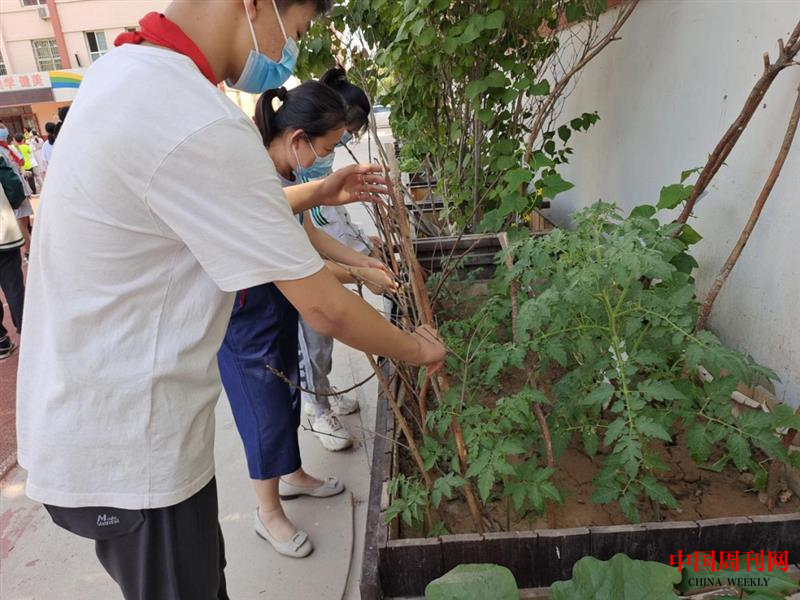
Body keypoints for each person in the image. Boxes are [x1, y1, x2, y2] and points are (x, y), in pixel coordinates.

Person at [16, 1, 445, 599]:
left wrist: (325, 203)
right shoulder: (196, 119)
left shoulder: (126, 74)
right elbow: (323, 308)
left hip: (96, 424)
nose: (287, 52)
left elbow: (266, 215)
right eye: (296, 30)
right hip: (132, 452)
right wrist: (417, 349)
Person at [219, 81, 397, 559]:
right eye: (327, 146)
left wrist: (361, 262)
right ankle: (267, 512)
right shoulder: (254, 178)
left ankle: (292, 475)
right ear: (299, 139)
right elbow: (306, 266)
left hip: (277, 303)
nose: (328, 158)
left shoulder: (285, 176)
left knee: (289, 391)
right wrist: (358, 275)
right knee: (262, 409)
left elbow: (310, 235)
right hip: (245, 313)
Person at [295, 67, 379, 451]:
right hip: (301, 276)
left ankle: (323, 389)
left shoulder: (315, 168)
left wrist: (363, 249)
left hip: (316, 262)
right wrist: (360, 270)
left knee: (323, 338)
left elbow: (331, 221)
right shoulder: (292, 179)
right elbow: (309, 247)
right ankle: (316, 407)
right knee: (311, 341)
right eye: (335, 141)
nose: (342, 143)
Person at [0, 157, 26, 360]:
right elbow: (14, 187)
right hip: (2, 232)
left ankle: (1, 341)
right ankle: (30, 333)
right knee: (14, 286)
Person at [0, 124, 33, 259]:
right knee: (21, 221)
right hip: (14, 190)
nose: (3, 131)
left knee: (24, 220)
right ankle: (28, 250)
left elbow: (21, 162)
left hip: (20, 187)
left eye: (3, 128)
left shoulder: (9, 148)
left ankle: (29, 248)